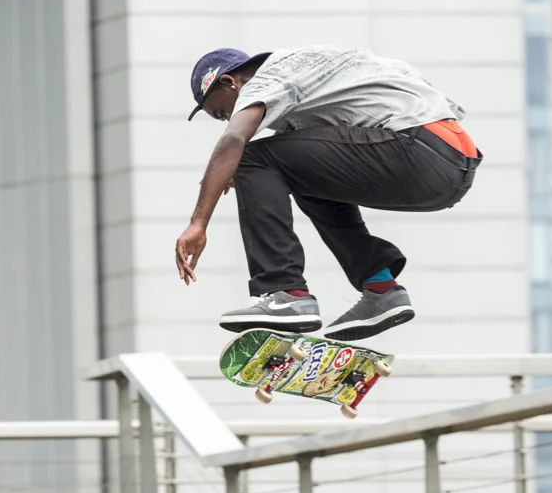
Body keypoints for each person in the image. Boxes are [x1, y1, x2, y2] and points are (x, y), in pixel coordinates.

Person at [174, 44, 481, 342]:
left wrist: (199, 222)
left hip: (419, 149)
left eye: (222, 111)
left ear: (230, 82)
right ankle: (380, 287)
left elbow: (234, 140)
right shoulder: (317, 74)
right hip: (451, 163)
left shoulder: (271, 75)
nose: (230, 118)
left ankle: (283, 291)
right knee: (298, 173)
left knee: (250, 157)